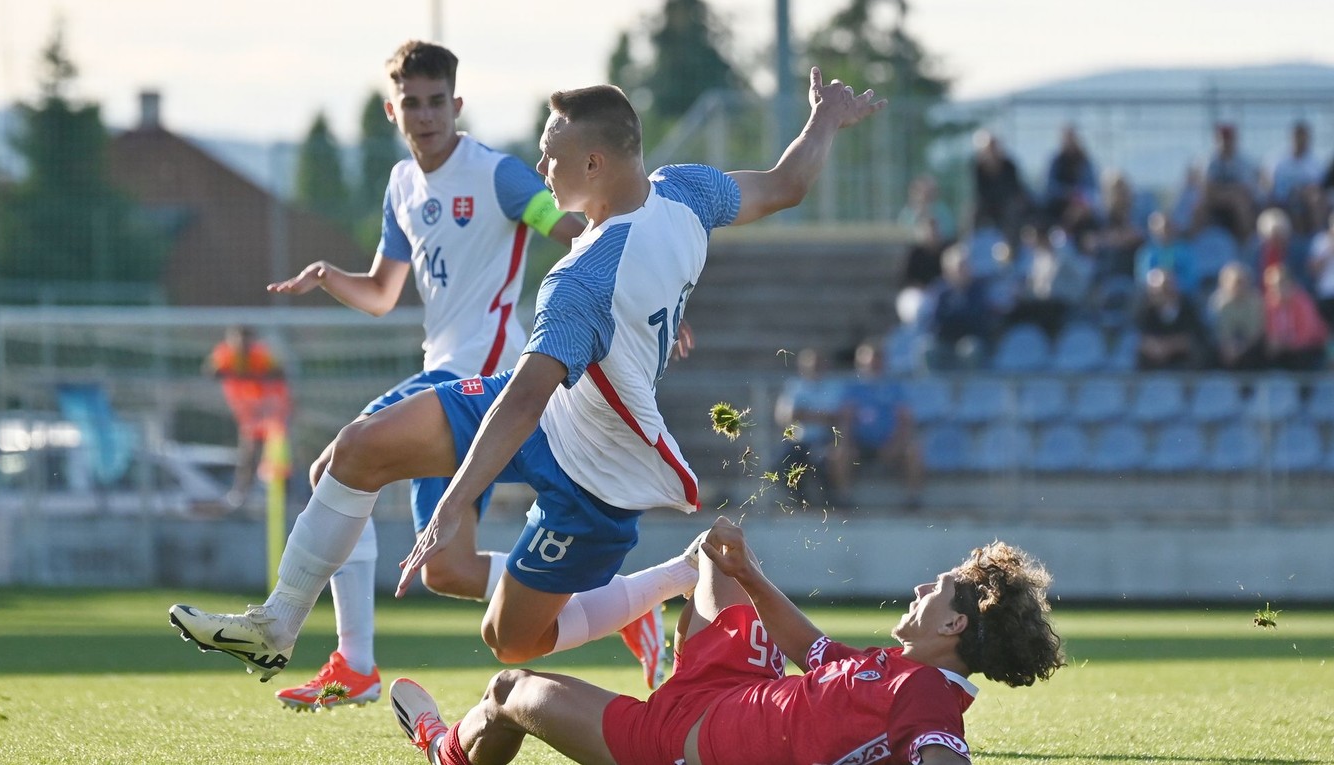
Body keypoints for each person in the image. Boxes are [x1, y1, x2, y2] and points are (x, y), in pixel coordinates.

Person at [168, 68, 886, 690]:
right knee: (359, 448)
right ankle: (277, 623)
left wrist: (455, 500)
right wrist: (824, 118)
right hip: (552, 412)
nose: (541, 168)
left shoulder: (583, 278)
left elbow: (521, 399)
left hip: (598, 471)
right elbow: (787, 183)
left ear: (596, 163)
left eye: (551, 157)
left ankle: (669, 578)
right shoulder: (686, 191)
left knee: (510, 641)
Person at [249, 42, 589, 709]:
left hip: (485, 380)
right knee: (448, 570)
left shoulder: (497, 175)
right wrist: (328, 277)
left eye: (438, 101)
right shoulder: (402, 185)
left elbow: (569, 229)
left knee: (334, 469)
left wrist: (631, 284)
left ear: (457, 105)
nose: (426, 114)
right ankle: (610, 599)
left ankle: (354, 660)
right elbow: (382, 293)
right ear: (392, 109)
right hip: (442, 373)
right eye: (413, 103)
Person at [388, 516, 1064, 765]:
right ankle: (649, 616)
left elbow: (942, 753)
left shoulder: (926, 693)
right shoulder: (894, 666)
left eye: (936, 588)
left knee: (509, 690)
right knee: (714, 550)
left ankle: (446, 750)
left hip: (672, 742)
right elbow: (815, 650)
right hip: (735, 685)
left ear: (954, 625)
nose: (921, 587)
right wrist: (751, 574)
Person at [203, 325, 291, 509]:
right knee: (249, 451)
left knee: (273, 450)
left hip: (269, 408)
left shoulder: (262, 356)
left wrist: (254, 378)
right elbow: (211, 372)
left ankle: (280, 494)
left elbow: (279, 374)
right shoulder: (225, 355)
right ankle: (242, 493)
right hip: (248, 410)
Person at [838, 341, 924, 511]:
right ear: (860, 363)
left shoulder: (895, 388)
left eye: (878, 361)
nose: (874, 365)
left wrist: (896, 444)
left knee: (914, 451)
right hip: (860, 444)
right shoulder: (852, 388)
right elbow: (845, 420)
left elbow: (905, 420)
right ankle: (844, 498)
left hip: (890, 443)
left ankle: (912, 499)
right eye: (870, 361)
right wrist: (849, 443)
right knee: (839, 454)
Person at [773, 347, 846, 507]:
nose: (815, 368)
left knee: (826, 460)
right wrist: (822, 416)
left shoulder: (834, 387)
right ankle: (799, 501)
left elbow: (838, 416)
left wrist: (805, 414)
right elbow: (785, 415)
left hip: (824, 439)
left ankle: (830, 502)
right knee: (782, 462)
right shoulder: (794, 386)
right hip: (798, 440)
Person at [1134, 268, 1208, 371]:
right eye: (1161, 289)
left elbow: (1194, 337)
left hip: (1183, 364)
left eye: (1168, 286)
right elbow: (1139, 336)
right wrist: (1154, 346)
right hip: (1152, 363)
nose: (1165, 292)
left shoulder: (1188, 308)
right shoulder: (1145, 311)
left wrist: (1169, 346)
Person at [1262, 263, 1328, 371]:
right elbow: (1270, 332)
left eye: (1282, 284)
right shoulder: (1269, 305)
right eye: (1273, 286)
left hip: (1309, 348)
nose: (1278, 289)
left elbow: (1306, 336)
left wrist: (1284, 344)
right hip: (1284, 350)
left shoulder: (1303, 302)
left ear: (1291, 284)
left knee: (1303, 358)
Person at [1207, 262, 1265, 371]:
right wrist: (1228, 347)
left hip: (1248, 350)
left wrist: (1240, 349)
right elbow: (1217, 332)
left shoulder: (1255, 302)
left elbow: (1255, 333)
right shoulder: (1216, 304)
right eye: (1237, 283)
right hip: (1222, 351)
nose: (1240, 287)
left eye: (1243, 282)